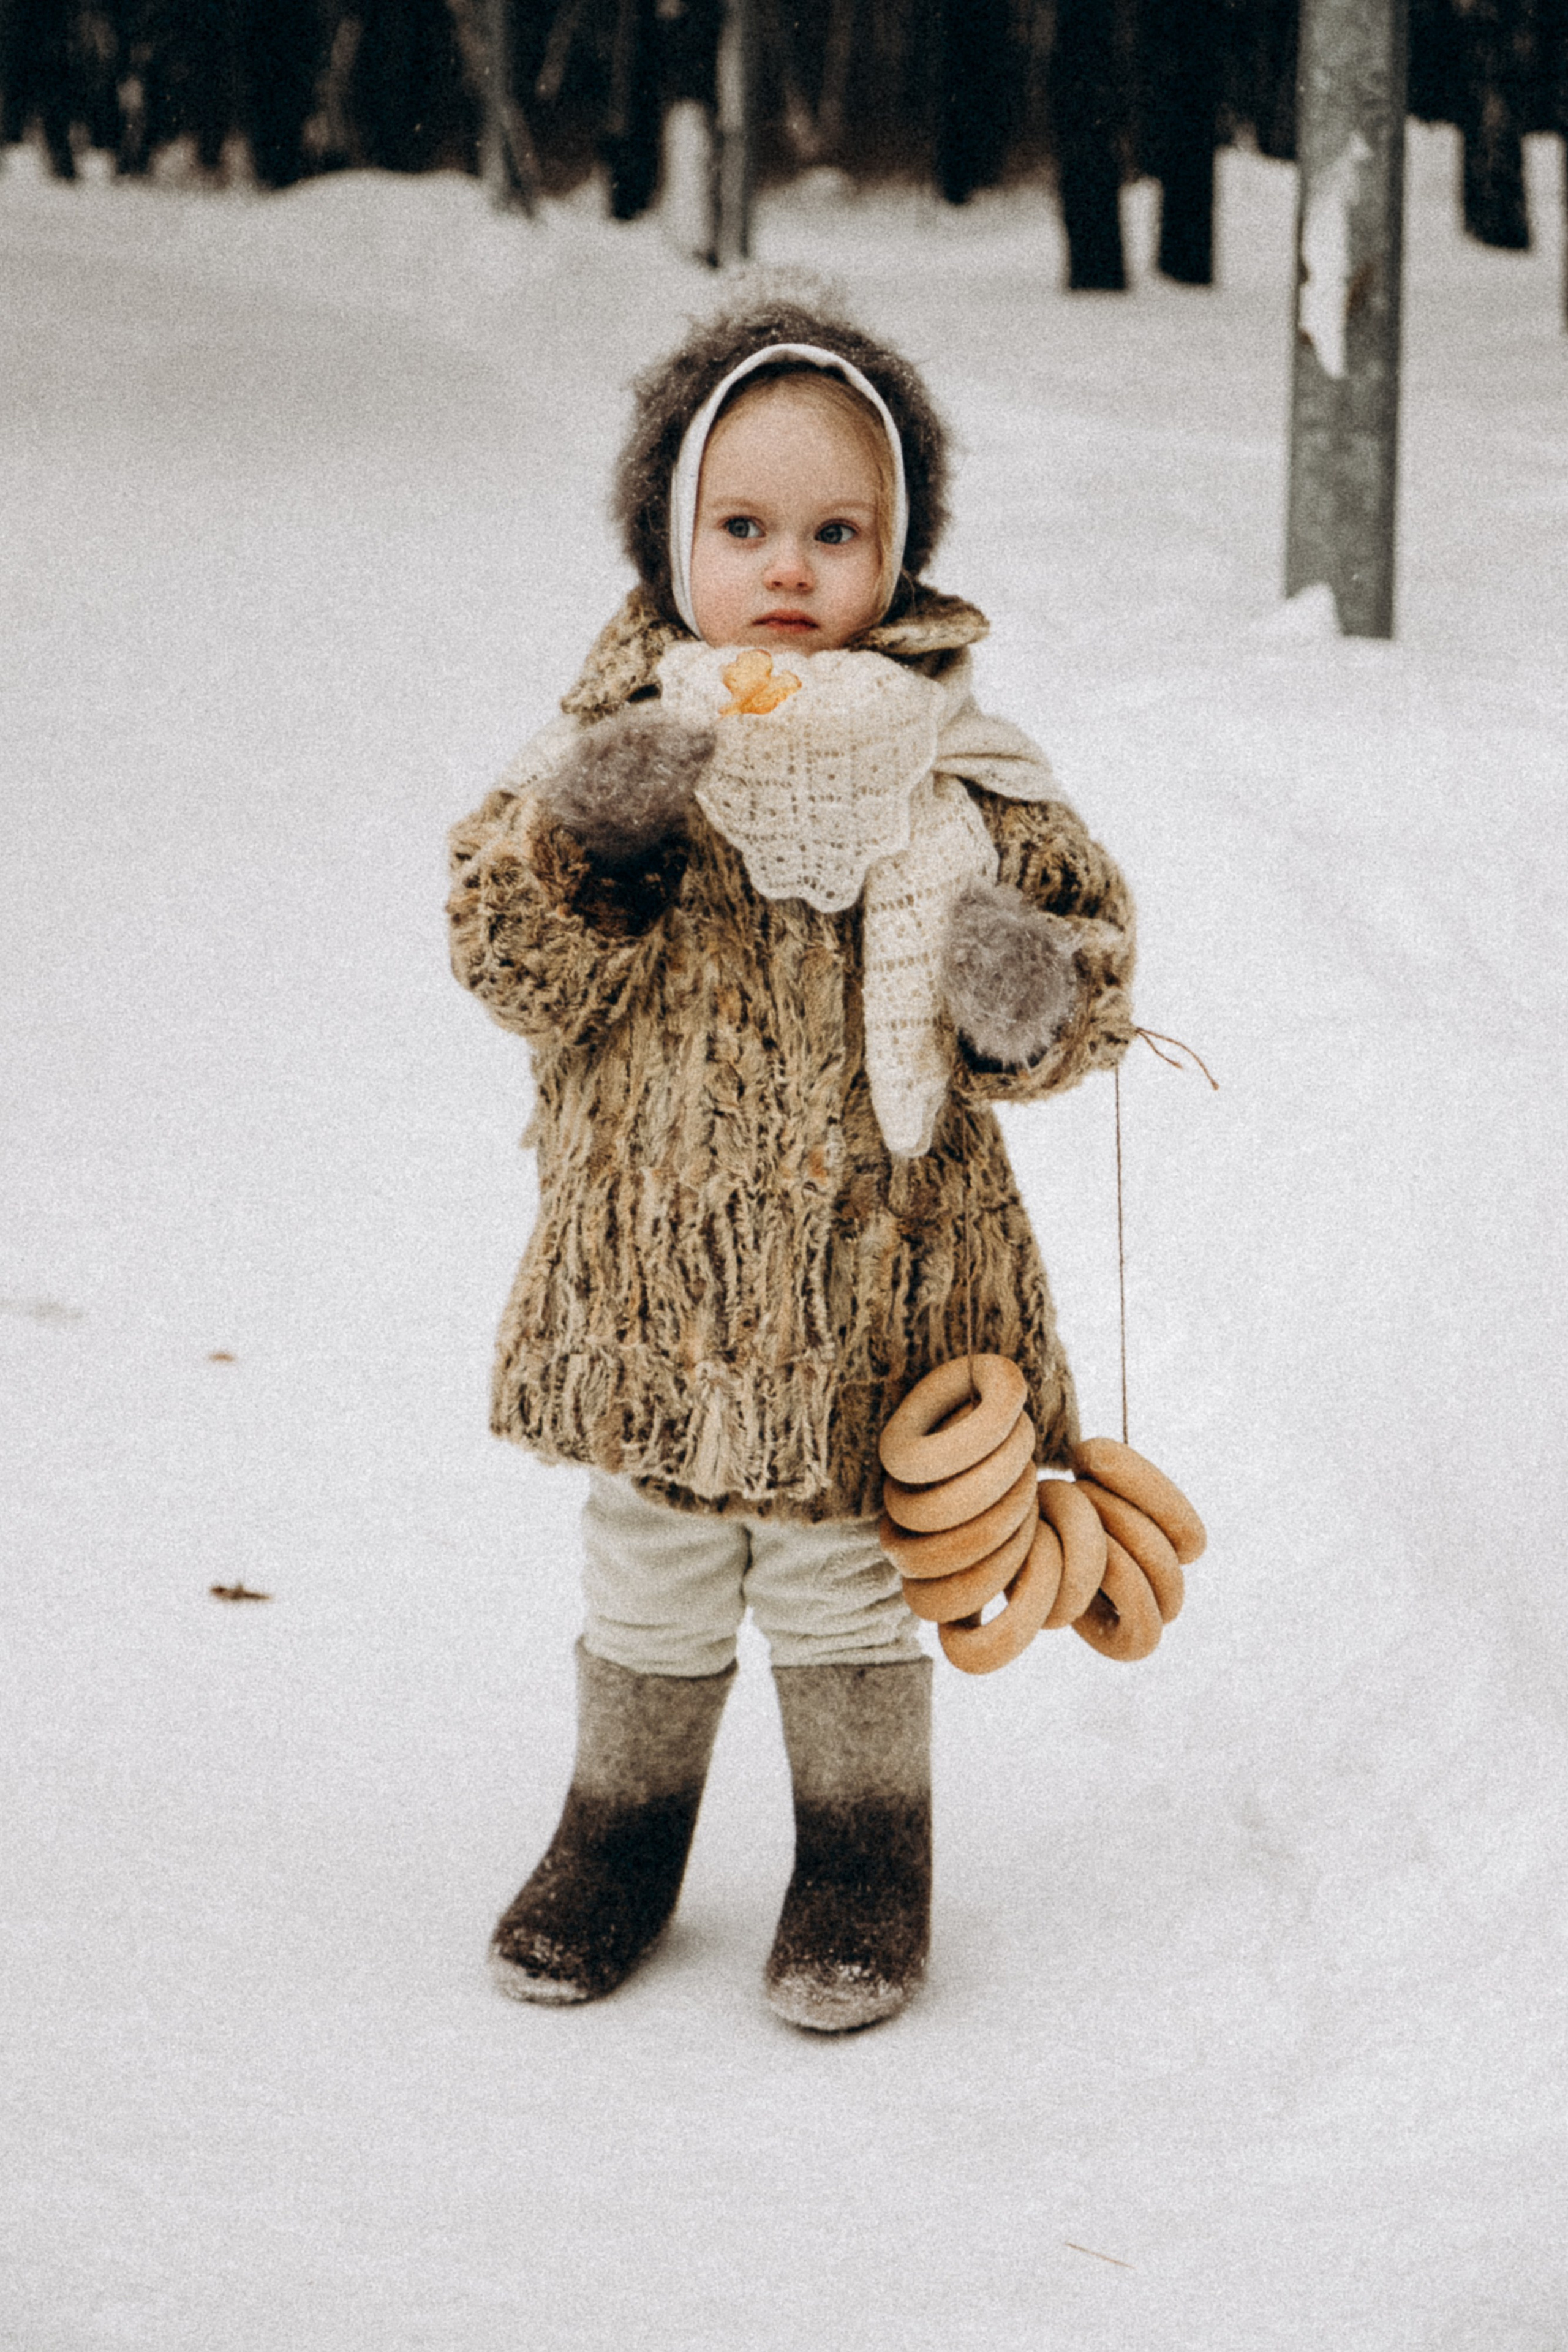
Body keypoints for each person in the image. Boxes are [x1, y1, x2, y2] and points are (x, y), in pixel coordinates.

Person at [447, 285, 1136, 2032]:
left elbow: (1085, 974)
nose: (788, 569)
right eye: (742, 527)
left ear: (899, 552)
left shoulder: (959, 773)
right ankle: (620, 1832)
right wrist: (590, 853)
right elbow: (506, 963)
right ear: (667, 535)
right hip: (660, 1266)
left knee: (842, 1561)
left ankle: (861, 1857)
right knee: (656, 1548)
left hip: (873, 1274)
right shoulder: (611, 749)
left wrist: (1025, 991)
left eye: (839, 532)